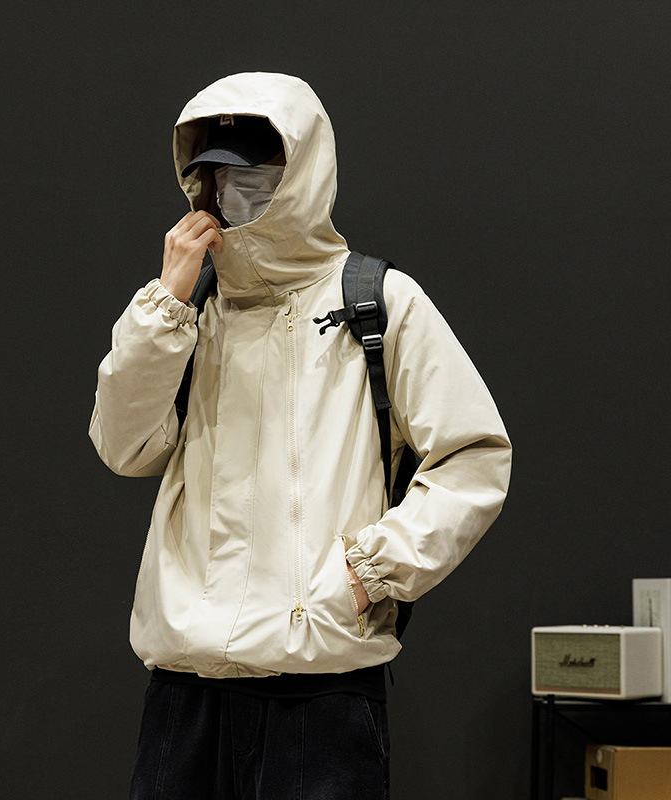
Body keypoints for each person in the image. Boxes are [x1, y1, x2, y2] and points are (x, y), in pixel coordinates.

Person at [88, 71, 512, 800]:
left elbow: (473, 456)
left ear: (304, 171)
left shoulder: (378, 300)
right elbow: (123, 446)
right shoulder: (190, 310)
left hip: (320, 695)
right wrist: (164, 304)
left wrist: (369, 572)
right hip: (185, 691)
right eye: (219, 177)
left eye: (258, 174)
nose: (236, 192)